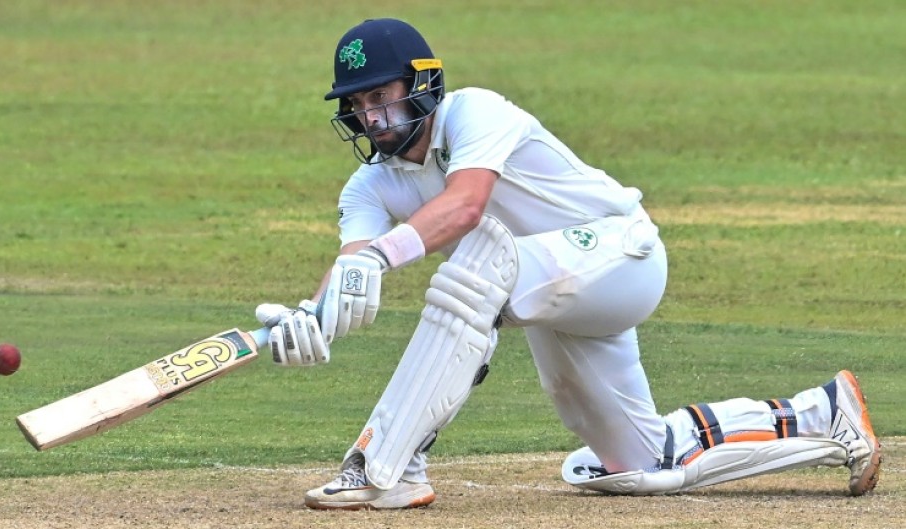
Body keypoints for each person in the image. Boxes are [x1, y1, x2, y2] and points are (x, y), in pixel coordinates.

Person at [255, 18, 881, 510]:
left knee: (477, 264)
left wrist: (382, 260)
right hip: (550, 298)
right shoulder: (366, 187)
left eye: (381, 95)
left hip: (620, 257)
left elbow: (467, 205)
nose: (371, 115)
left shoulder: (475, 112)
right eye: (358, 103)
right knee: (640, 466)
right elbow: (353, 263)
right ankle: (822, 413)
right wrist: (316, 316)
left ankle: (385, 466)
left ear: (422, 82)